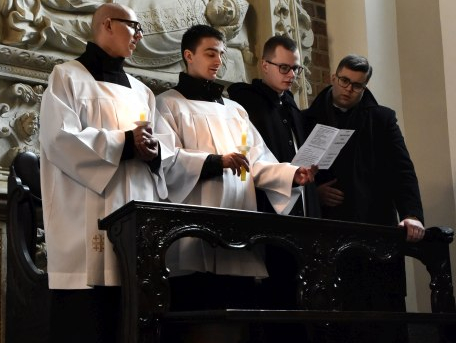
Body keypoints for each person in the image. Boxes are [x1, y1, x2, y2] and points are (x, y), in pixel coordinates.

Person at [39, 2, 175, 343]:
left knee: (130, 315)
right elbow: (59, 140)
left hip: (135, 213)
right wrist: (122, 143)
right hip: (87, 214)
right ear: (107, 25)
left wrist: (154, 152)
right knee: (87, 319)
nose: (139, 36)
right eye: (134, 27)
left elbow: (166, 148)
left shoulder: (142, 91)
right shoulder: (67, 77)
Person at [156, 24, 316, 310]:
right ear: (189, 55)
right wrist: (215, 162)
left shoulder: (235, 110)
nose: (218, 61)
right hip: (196, 227)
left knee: (241, 316)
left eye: (221, 54)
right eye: (210, 53)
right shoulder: (168, 104)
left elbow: (257, 160)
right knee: (198, 312)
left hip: (239, 227)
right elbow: (167, 160)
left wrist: (292, 175)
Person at [304, 53, 424, 310]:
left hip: (373, 221)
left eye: (357, 85)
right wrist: (314, 193)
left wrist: (412, 214)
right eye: (344, 80)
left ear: (365, 87)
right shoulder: (306, 119)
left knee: (382, 307)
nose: (349, 88)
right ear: (333, 77)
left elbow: (402, 171)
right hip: (328, 227)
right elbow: (293, 170)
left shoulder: (382, 119)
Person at [228, 34, 320, 307]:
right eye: (284, 68)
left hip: (302, 203)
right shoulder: (246, 103)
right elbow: (254, 158)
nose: (291, 75)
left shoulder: (290, 104)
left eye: (296, 69)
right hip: (268, 205)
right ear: (264, 65)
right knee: (276, 291)